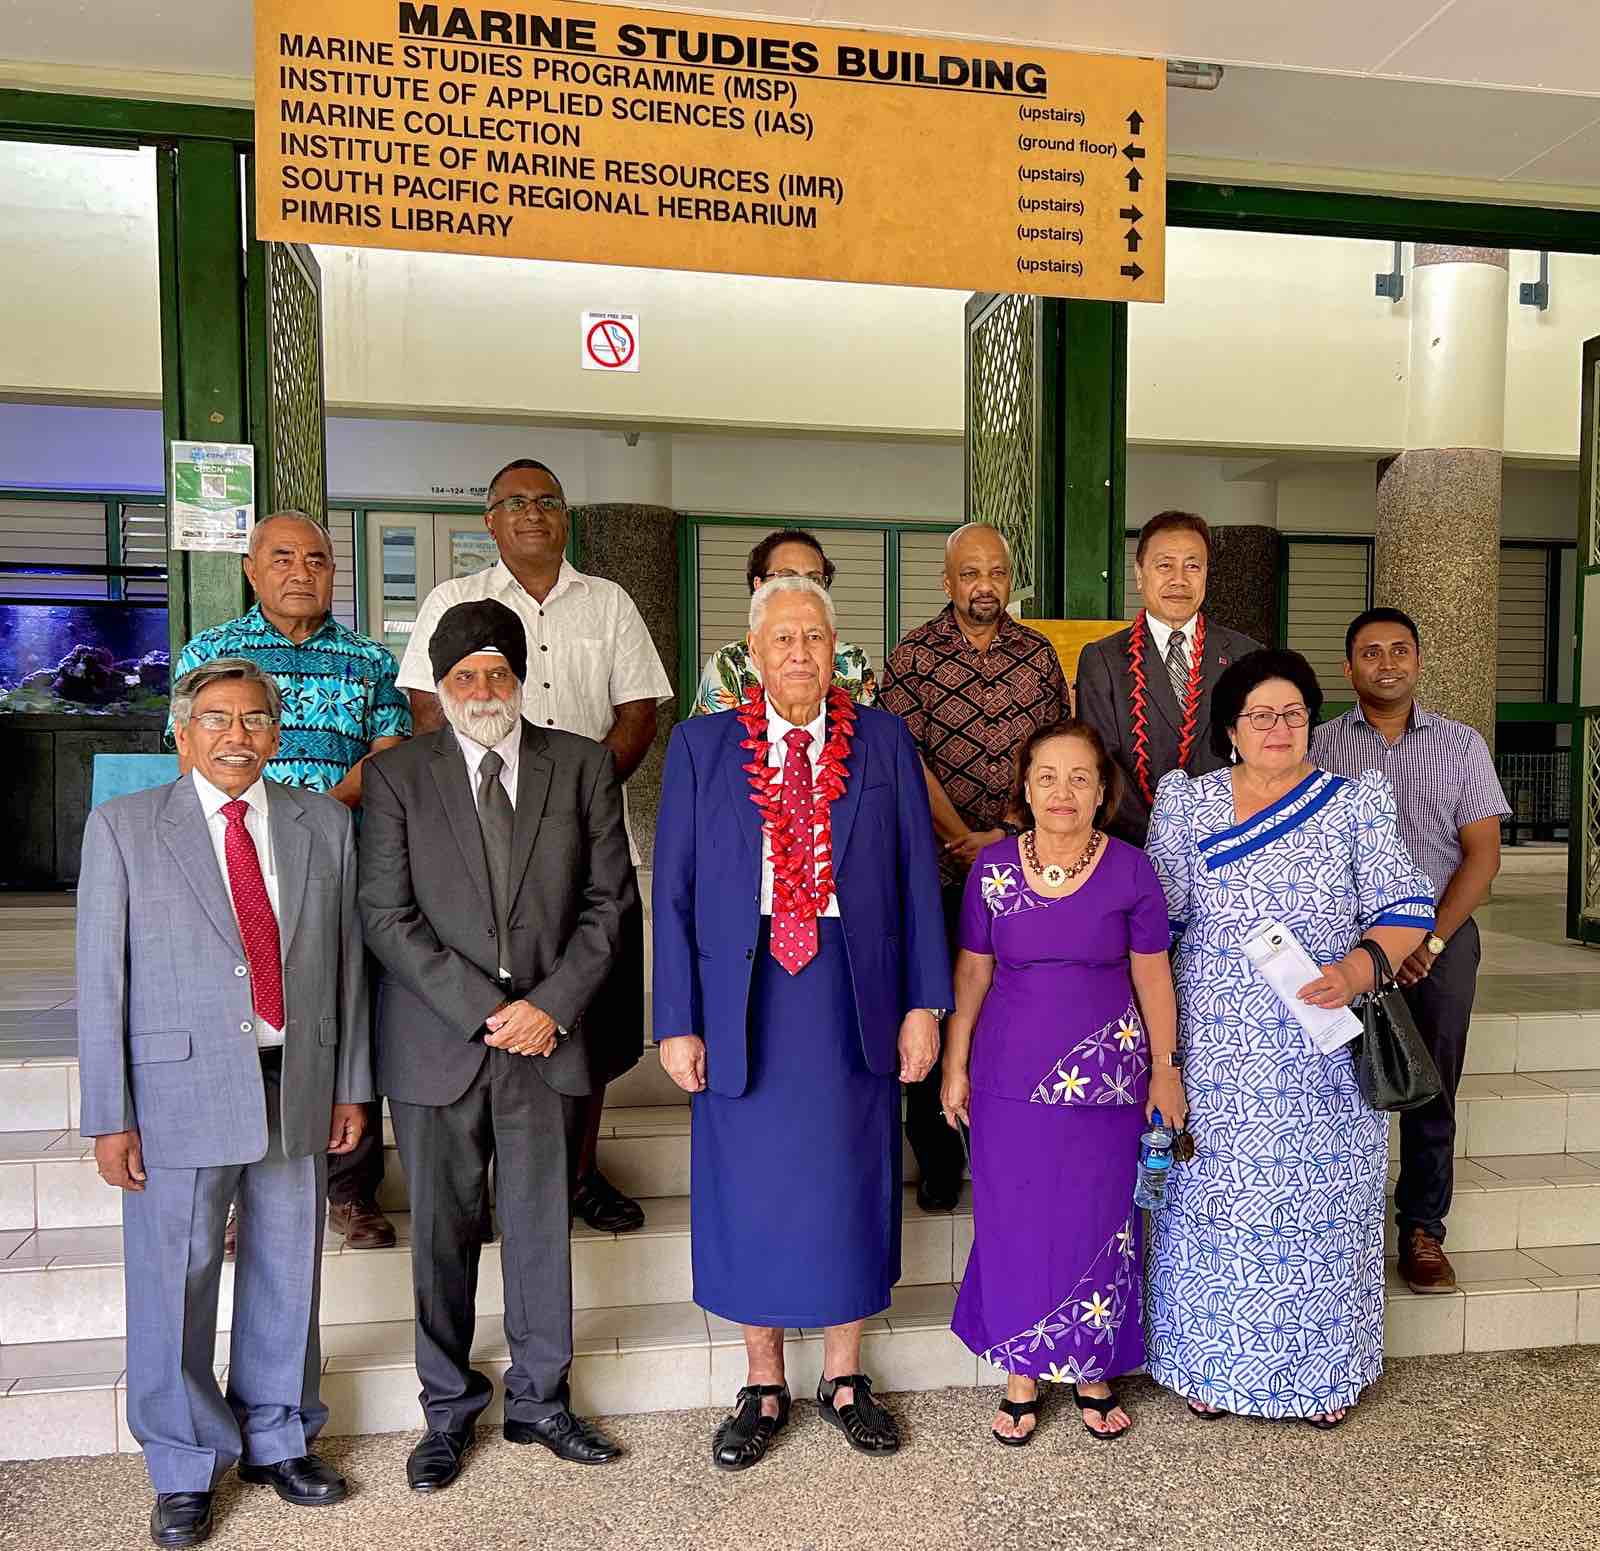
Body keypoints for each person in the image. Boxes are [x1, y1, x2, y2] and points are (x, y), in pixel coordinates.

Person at [654, 577, 950, 1471]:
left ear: (835, 651)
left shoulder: (885, 743)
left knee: (851, 1182)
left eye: (814, 637)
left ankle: (847, 1375)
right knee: (749, 1190)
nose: (797, 653)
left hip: (850, 988)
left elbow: (914, 879)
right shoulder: (702, 747)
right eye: (781, 637)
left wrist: (923, 1003)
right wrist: (676, 1019)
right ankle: (762, 1380)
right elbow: (671, 891)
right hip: (740, 996)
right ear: (751, 651)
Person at [78, 659, 371, 1549]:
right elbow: (101, 980)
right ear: (182, 731)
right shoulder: (125, 828)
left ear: (276, 734)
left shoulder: (323, 822)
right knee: (177, 1278)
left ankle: (279, 1437)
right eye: (216, 718)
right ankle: (183, 1460)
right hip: (175, 1090)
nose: (236, 734)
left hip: (299, 1079)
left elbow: (349, 963)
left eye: (253, 719)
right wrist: (108, 1113)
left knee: (290, 1268)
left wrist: (353, 1079)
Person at [360, 599, 635, 1490]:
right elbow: (386, 915)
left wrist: (549, 1005)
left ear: (521, 679)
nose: (483, 689)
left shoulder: (583, 764)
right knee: (442, 1230)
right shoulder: (400, 775)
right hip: (441, 1041)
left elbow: (609, 903)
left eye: (498, 672)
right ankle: (446, 1409)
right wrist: (484, 1009)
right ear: (439, 689)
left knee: (538, 1221)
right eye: (464, 676)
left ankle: (541, 1399)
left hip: (548, 1038)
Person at [1144, 648, 1435, 1428]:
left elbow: (1409, 907)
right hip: (1213, 1044)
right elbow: (1154, 930)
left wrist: (1358, 966)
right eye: (1261, 715)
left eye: (1295, 713)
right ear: (1230, 728)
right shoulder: (1186, 804)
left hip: (1323, 1048)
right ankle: (1208, 1364)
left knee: (1323, 1213)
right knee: (1213, 1206)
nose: (1279, 727)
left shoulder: (1352, 805)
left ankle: (1323, 1376)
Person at [396, 459, 671, 1234]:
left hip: (583, 835)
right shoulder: (455, 599)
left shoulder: (608, 602)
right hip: (473, 833)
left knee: (589, 998)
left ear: (565, 515)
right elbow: (426, 707)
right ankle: (483, 1176)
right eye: (514, 502)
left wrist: (571, 793)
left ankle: (578, 1170)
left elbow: (639, 711)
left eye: (546, 500)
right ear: (488, 519)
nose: (532, 513)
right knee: (485, 988)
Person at [171, 509, 410, 1253]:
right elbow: (191, 757)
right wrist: (265, 820)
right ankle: (244, 1184)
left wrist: (314, 817)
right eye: (282, 558)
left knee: (345, 1008)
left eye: (316, 558)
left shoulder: (370, 659)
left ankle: (351, 1188)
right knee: (245, 1012)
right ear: (251, 567)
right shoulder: (212, 651)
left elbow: (391, 752)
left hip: (342, 858)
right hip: (238, 864)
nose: (300, 571)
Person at [941, 720, 1181, 1445]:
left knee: (1099, 1217)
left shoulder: (1131, 870)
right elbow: (973, 969)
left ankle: (1091, 1367)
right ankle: (1021, 1368)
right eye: (1047, 775)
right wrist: (955, 1062)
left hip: (1108, 1078)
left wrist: (1167, 1072)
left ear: (1103, 789)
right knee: (1014, 1217)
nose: (1063, 791)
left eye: (1080, 777)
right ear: (1024, 785)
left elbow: (1152, 974)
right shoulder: (992, 869)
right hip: (1009, 1076)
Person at [1312, 607, 1510, 1295]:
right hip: (1344, 945)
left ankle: (1423, 1227)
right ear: (1349, 667)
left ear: (1418, 660)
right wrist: (1373, 950)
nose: (1387, 662)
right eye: (1370, 652)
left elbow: (1482, 857)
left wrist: (1426, 939)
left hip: (1441, 941)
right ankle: (1341, 1228)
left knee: (1430, 1082)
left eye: (1400, 650)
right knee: (1339, 1085)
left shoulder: (1461, 746)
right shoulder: (1321, 746)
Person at [879, 522, 1069, 1212]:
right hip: (933, 865)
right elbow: (904, 758)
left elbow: (1054, 752)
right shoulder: (915, 656)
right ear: (947, 580)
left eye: (995, 573)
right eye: (969, 573)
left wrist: (1006, 831)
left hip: (1019, 858)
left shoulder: (1038, 655)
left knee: (1008, 1006)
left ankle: (999, 1145)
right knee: (935, 999)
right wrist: (961, 835)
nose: (983, 586)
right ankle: (934, 1157)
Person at [1076, 510, 1260, 847]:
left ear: (1206, 575)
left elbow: (1260, 754)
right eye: (1164, 566)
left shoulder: (1246, 655)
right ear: (1139, 574)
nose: (1179, 580)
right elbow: (1101, 760)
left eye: (1193, 566)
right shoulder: (1102, 659)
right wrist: (1160, 839)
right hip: (1135, 846)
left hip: (1231, 844)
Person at [691, 527, 877, 713]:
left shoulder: (854, 661)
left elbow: (869, 733)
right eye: (787, 576)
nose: (801, 588)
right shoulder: (729, 661)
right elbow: (712, 738)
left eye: (814, 579)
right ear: (759, 585)